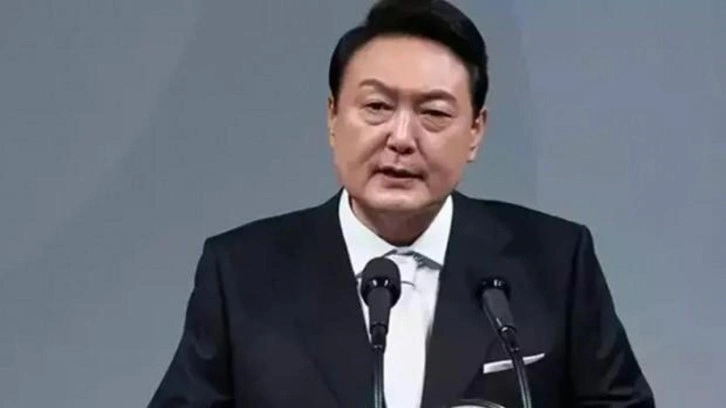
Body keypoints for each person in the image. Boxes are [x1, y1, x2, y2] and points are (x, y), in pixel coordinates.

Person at [149, 1, 655, 407]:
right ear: (332, 117)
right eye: (377, 107)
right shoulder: (242, 273)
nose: (401, 138)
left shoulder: (555, 261)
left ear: (475, 132)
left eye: (433, 113)